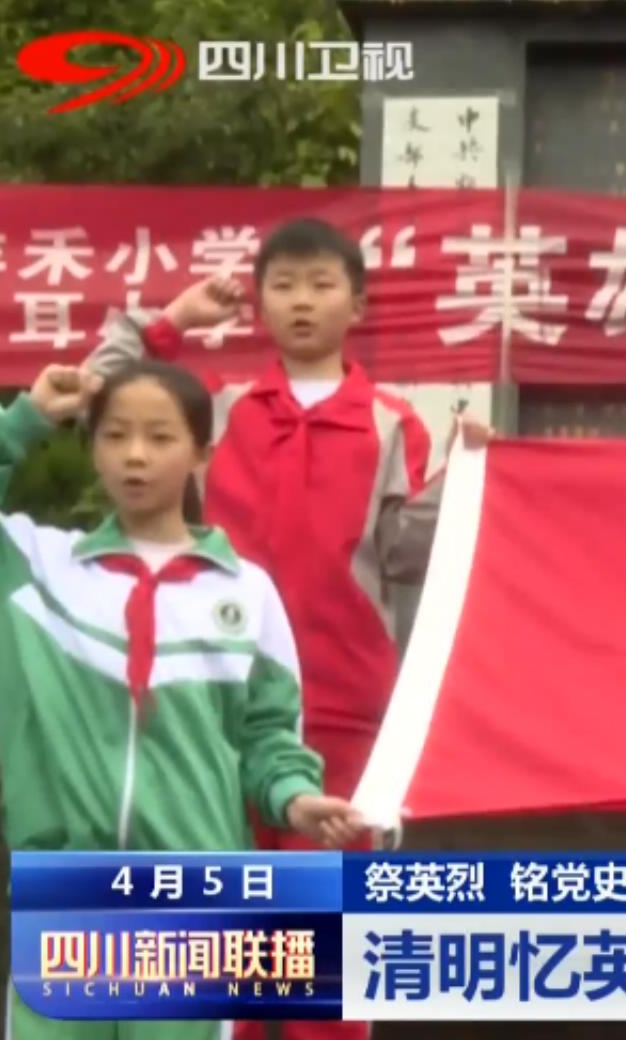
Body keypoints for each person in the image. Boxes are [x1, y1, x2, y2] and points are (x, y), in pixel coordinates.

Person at [88, 219, 486, 1040]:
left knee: (323, 954)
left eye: (321, 284)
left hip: (343, 710)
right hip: (211, 707)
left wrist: (468, 478)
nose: (302, 301)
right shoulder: (220, 410)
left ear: (358, 305)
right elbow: (100, 396)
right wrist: (175, 321)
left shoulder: (391, 424)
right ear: (260, 303)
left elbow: (404, 554)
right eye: (284, 284)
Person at [0, 360, 365, 1040]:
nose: (135, 455)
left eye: (160, 437)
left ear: (202, 453)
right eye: (115, 435)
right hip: (67, 896)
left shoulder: (247, 592)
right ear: (92, 447)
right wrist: (26, 417)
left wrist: (294, 798)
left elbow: (267, 737)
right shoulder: (30, 569)